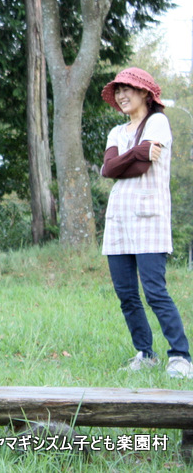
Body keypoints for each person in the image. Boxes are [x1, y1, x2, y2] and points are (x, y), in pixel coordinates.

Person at [99, 67, 192, 378]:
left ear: (144, 94)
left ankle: (180, 356)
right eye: (119, 90)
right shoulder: (117, 132)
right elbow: (109, 169)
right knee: (126, 293)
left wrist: (126, 161)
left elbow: (138, 168)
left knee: (154, 291)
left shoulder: (158, 122)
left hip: (149, 219)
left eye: (129, 89)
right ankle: (145, 353)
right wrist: (136, 152)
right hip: (118, 221)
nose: (122, 95)